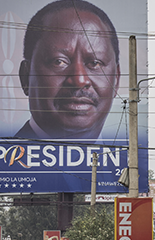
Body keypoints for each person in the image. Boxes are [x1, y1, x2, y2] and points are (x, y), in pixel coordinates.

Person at [17, 0, 120, 140]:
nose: (79, 80)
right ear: (26, 77)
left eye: (95, 63)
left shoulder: (133, 161)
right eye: (59, 62)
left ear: (117, 80)